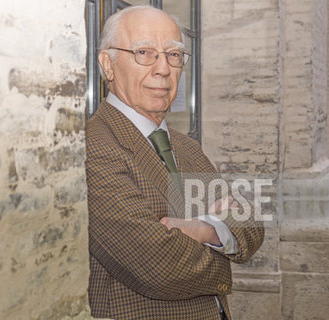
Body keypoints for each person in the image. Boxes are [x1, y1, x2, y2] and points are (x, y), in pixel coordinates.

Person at [85, 5, 264, 320]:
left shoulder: (184, 145)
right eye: (144, 52)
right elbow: (157, 265)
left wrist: (204, 230)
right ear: (107, 64)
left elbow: (251, 221)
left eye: (174, 55)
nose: (163, 69)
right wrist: (223, 236)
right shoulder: (93, 144)